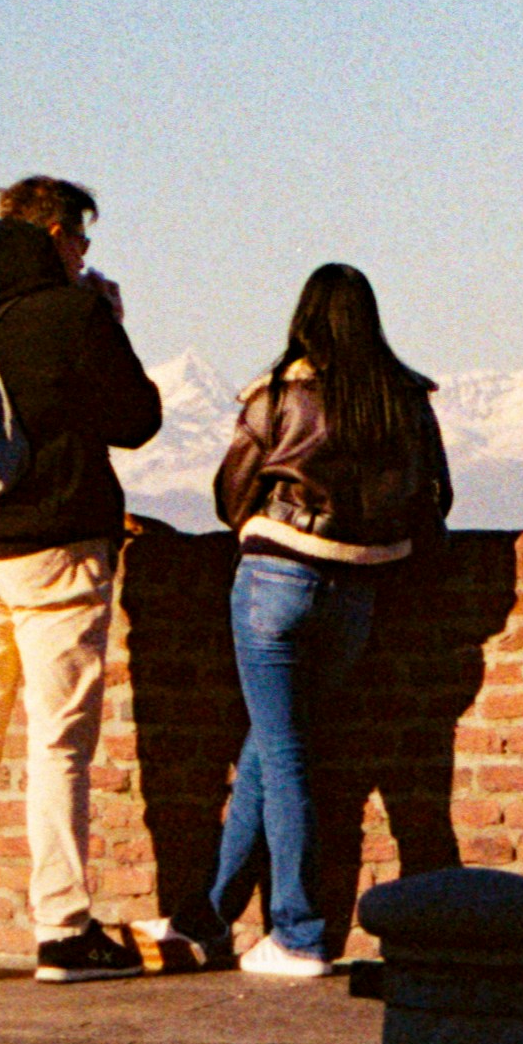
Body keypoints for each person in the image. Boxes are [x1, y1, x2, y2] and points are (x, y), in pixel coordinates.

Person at [0, 175, 164, 984]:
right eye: (83, 241)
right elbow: (136, 419)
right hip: (55, 546)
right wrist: (110, 322)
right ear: (58, 234)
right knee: (56, 741)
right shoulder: (73, 312)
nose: (86, 255)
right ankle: (61, 929)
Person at [177, 264, 454, 979]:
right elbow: (436, 498)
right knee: (273, 747)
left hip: (277, 577)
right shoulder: (404, 399)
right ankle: (206, 920)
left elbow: (230, 491)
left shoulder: (277, 394)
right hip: (359, 585)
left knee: (283, 752)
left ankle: (297, 932)